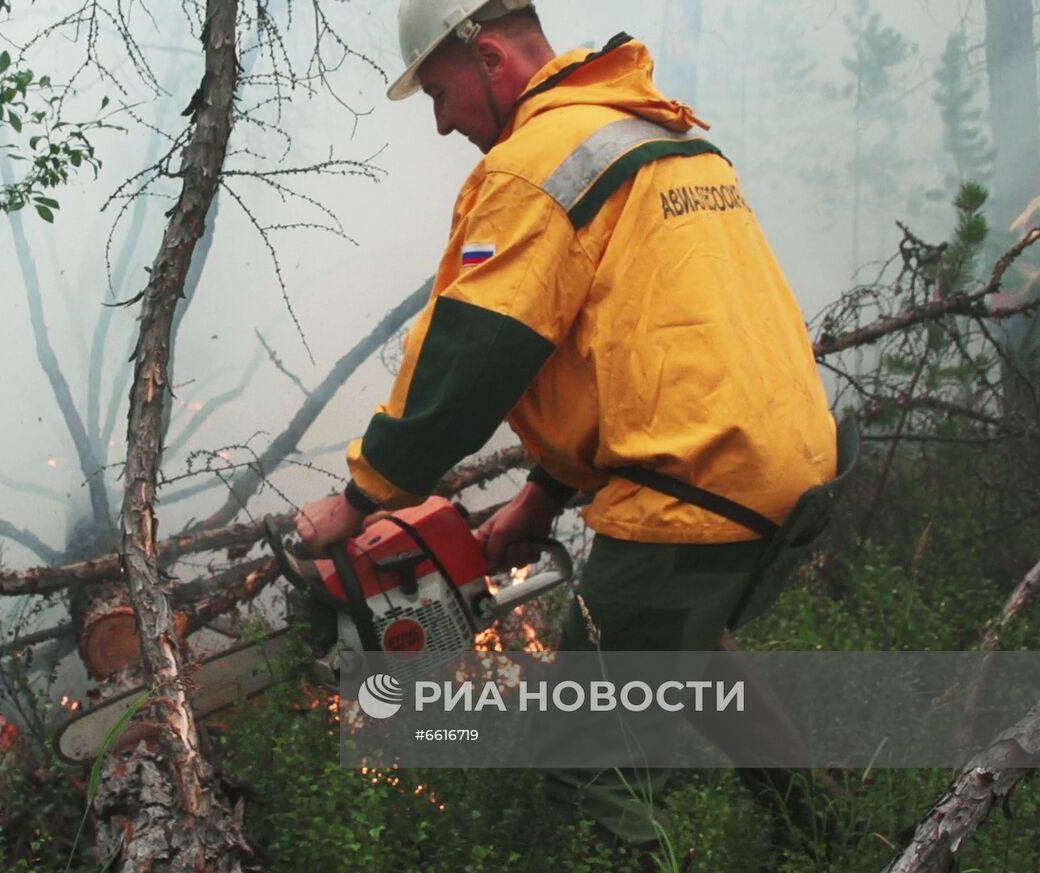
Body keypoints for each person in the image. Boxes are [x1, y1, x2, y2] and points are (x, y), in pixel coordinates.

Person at [294, 0, 840, 846]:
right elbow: (633, 347)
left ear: (489, 58)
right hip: (779, 449)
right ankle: (831, 835)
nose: (441, 126)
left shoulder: (532, 166)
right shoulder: (648, 129)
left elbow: (471, 356)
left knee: (585, 754)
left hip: (697, 478)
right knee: (682, 652)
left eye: (439, 94)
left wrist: (361, 497)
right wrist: (541, 499)